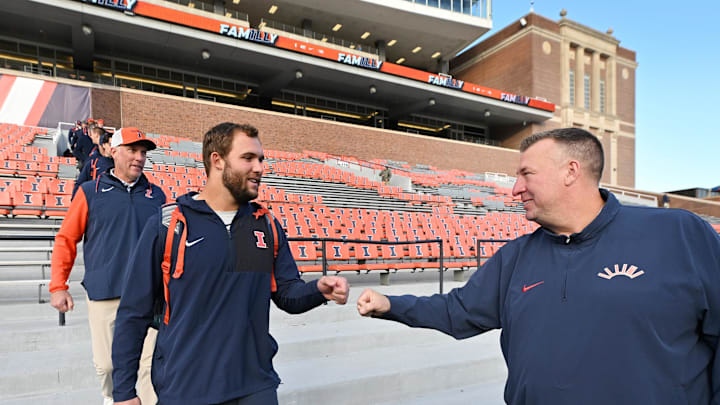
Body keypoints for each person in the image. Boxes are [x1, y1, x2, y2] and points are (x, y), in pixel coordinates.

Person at [357, 128, 720, 405]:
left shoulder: (679, 233)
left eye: (526, 174)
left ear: (570, 172)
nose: (514, 189)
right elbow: (459, 310)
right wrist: (389, 305)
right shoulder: (515, 256)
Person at [112, 122, 350, 405]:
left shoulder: (266, 225)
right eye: (248, 158)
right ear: (218, 160)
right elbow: (133, 313)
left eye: (261, 159)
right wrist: (124, 392)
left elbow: (287, 293)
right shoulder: (168, 225)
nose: (259, 167)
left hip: (255, 386)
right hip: (186, 388)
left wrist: (318, 290)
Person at [50, 127, 166, 405]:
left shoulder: (157, 196)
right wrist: (58, 286)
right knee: (108, 366)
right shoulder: (90, 192)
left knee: (151, 369)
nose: (139, 157)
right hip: (106, 294)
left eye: (143, 152)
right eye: (132, 150)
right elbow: (66, 238)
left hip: (149, 298)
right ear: (113, 151)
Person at [72, 129, 114, 198]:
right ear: (103, 145)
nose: (112, 148)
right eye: (110, 145)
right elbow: (80, 184)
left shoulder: (119, 164)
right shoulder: (93, 162)